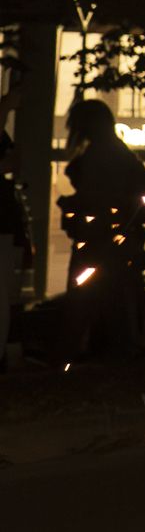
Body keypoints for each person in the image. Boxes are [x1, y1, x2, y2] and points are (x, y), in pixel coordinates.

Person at [57, 99, 145, 362]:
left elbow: (96, 198)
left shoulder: (98, 156)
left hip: (97, 241)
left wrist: (73, 206)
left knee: (83, 299)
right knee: (117, 298)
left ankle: (69, 354)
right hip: (117, 240)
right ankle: (118, 352)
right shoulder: (120, 154)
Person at [1, 72, 35, 372]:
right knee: (5, 294)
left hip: (6, 223)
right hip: (2, 224)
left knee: (8, 293)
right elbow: (12, 162)